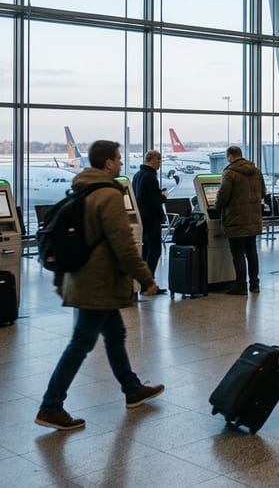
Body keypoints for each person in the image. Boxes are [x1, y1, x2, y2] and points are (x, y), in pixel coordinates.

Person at [35, 140, 164, 431]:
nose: (120, 164)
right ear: (107, 163)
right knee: (81, 342)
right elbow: (124, 245)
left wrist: (59, 280)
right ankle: (51, 405)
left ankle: (132, 389)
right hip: (97, 282)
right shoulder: (107, 195)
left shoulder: (82, 189)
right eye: (118, 159)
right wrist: (146, 278)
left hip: (83, 279)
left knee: (115, 333)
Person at [216, 146, 266, 295]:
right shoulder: (256, 171)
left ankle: (241, 285)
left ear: (230, 156)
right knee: (252, 252)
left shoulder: (229, 173)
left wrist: (217, 207)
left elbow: (223, 196)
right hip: (253, 218)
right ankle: (255, 284)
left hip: (235, 219)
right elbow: (263, 192)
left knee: (238, 253)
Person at [132, 150, 168, 291]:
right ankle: (149, 283)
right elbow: (155, 200)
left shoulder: (137, 175)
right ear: (151, 160)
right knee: (155, 251)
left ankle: (143, 283)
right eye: (158, 159)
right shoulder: (150, 177)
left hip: (142, 218)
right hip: (152, 218)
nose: (159, 162)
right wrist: (163, 196)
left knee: (146, 250)